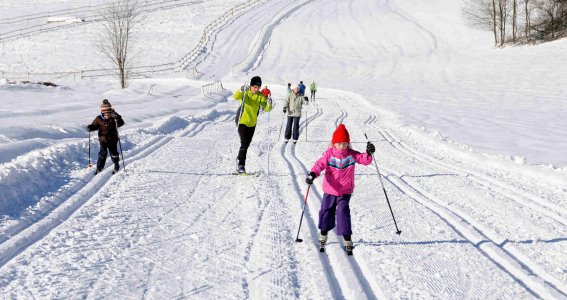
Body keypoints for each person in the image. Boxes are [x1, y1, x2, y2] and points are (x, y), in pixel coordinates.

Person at [305, 124, 376, 253]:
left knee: (343, 212)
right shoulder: (329, 154)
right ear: (334, 143)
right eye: (339, 143)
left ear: (348, 144)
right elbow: (319, 164)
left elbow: (363, 160)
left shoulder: (352, 154)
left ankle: (347, 238)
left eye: (345, 143)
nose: (342, 146)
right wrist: (312, 174)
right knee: (327, 210)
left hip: (344, 191)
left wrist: (369, 153)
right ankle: (323, 233)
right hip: (330, 190)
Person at [233, 76, 273, 174]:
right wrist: (241, 89)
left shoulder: (260, 96)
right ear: (250, 86)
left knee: (247, 144)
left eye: (258, 87)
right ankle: (241, 165)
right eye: (254, 87)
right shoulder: (245, 93)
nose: (256, 89)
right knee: (244, 142)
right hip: (241, 121)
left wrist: (269, 103)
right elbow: (235, 96)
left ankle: (239, 159)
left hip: (252, 123)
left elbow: (267, 109)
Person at [87, 99, 125, 175]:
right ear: (102, 113)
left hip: (113, 139)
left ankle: (116, 164)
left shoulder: (114, 117)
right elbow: (94, 125)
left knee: (113, 153)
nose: (107, 116)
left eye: (109, 114)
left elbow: (121, 123)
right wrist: (90, 127)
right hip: (103, 139)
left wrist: (117, 118)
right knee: (102, 153)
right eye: (105, 114)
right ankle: (99, 168)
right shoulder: (98, 119)